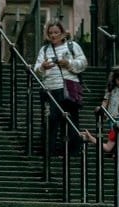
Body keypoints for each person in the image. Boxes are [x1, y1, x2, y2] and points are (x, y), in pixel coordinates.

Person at [34, 21, 87, 155]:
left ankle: (72, 151)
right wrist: (43, 67)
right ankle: (49, 150)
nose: (53, 35)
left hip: (68, 87)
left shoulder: (72, 46)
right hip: (50, 89)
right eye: (50, 33)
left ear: (62, 33)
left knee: (70, 119)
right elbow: (36, 69)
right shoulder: (44, 50)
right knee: (50, 120)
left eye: (56, 32)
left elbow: (83, 63)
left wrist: (68, 63)